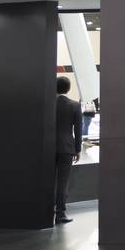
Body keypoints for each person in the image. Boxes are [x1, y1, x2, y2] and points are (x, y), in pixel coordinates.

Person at [53, 76, 83, 225]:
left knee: (48, 180)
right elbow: (78, 130)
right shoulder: (75, 105)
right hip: (66, 148)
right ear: (69, 88)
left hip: (48, 147)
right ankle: (60, 213)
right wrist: (77, 149)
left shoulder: (48, 104)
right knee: (62, 182)